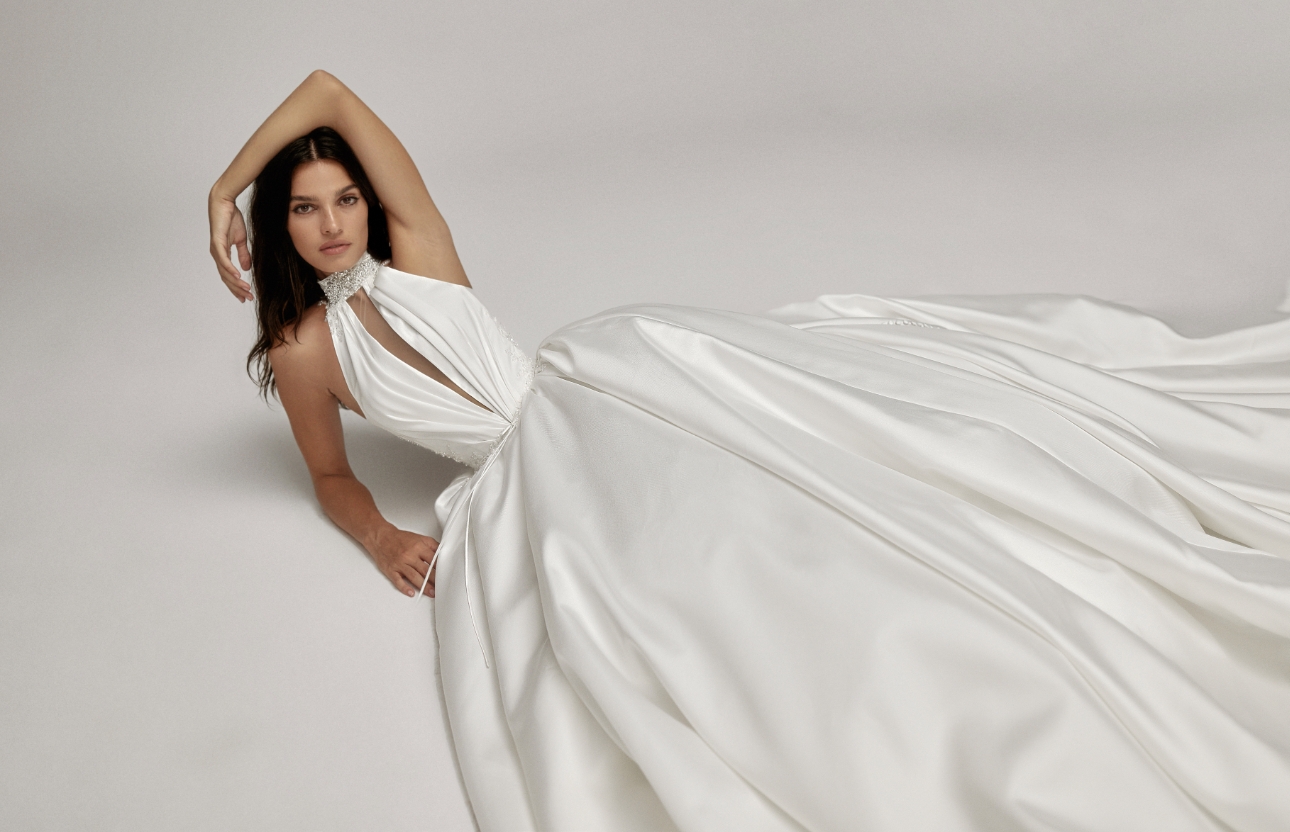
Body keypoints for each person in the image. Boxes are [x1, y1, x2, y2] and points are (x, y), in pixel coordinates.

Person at [209, 71, 1290, 832]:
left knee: (827, 461)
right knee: (697, 598)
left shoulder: (421, 248)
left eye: (345, 197)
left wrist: (224, 181)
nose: (334, 222)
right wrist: (379, 535)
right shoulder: (303, 349)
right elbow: (334, 477)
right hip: (526, 474)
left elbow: (329, 89)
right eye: (303, 208)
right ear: (283, 227)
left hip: (599, 374)